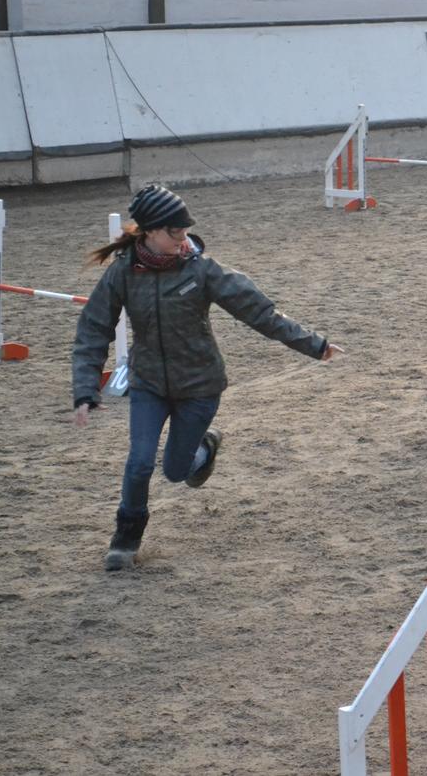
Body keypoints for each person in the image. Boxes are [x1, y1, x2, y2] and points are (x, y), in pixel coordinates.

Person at [72, 184, 343, 571]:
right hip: (149, 384)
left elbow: (260, 313)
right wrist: (84, 389)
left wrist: (316, 345)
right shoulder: (123, 273)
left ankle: (205, 448)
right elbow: (94, 328)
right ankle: (125, 539)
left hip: (199, 387)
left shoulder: (203, 270)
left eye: (184, 230)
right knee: (139, 463)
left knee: (177, 471)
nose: (183, 238)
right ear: (149, 231)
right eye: (174, 232)